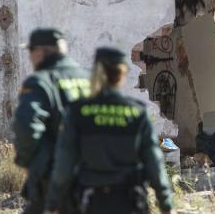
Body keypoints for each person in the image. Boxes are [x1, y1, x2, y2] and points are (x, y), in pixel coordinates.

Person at [43, 47, 175, 214]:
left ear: (97, 73)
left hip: (91, 203)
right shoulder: (137, 113)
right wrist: (166, 205)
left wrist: (52, 204)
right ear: (122, 74)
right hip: (130, 203)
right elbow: (154, 164)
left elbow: (63, 165)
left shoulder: (78, 113)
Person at [13, 28, 91, 214]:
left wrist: (29, 162)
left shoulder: (40, 81)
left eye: (30, 52)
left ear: (39, 53)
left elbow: (27, 126)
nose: (30, 58)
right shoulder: (89, 79)